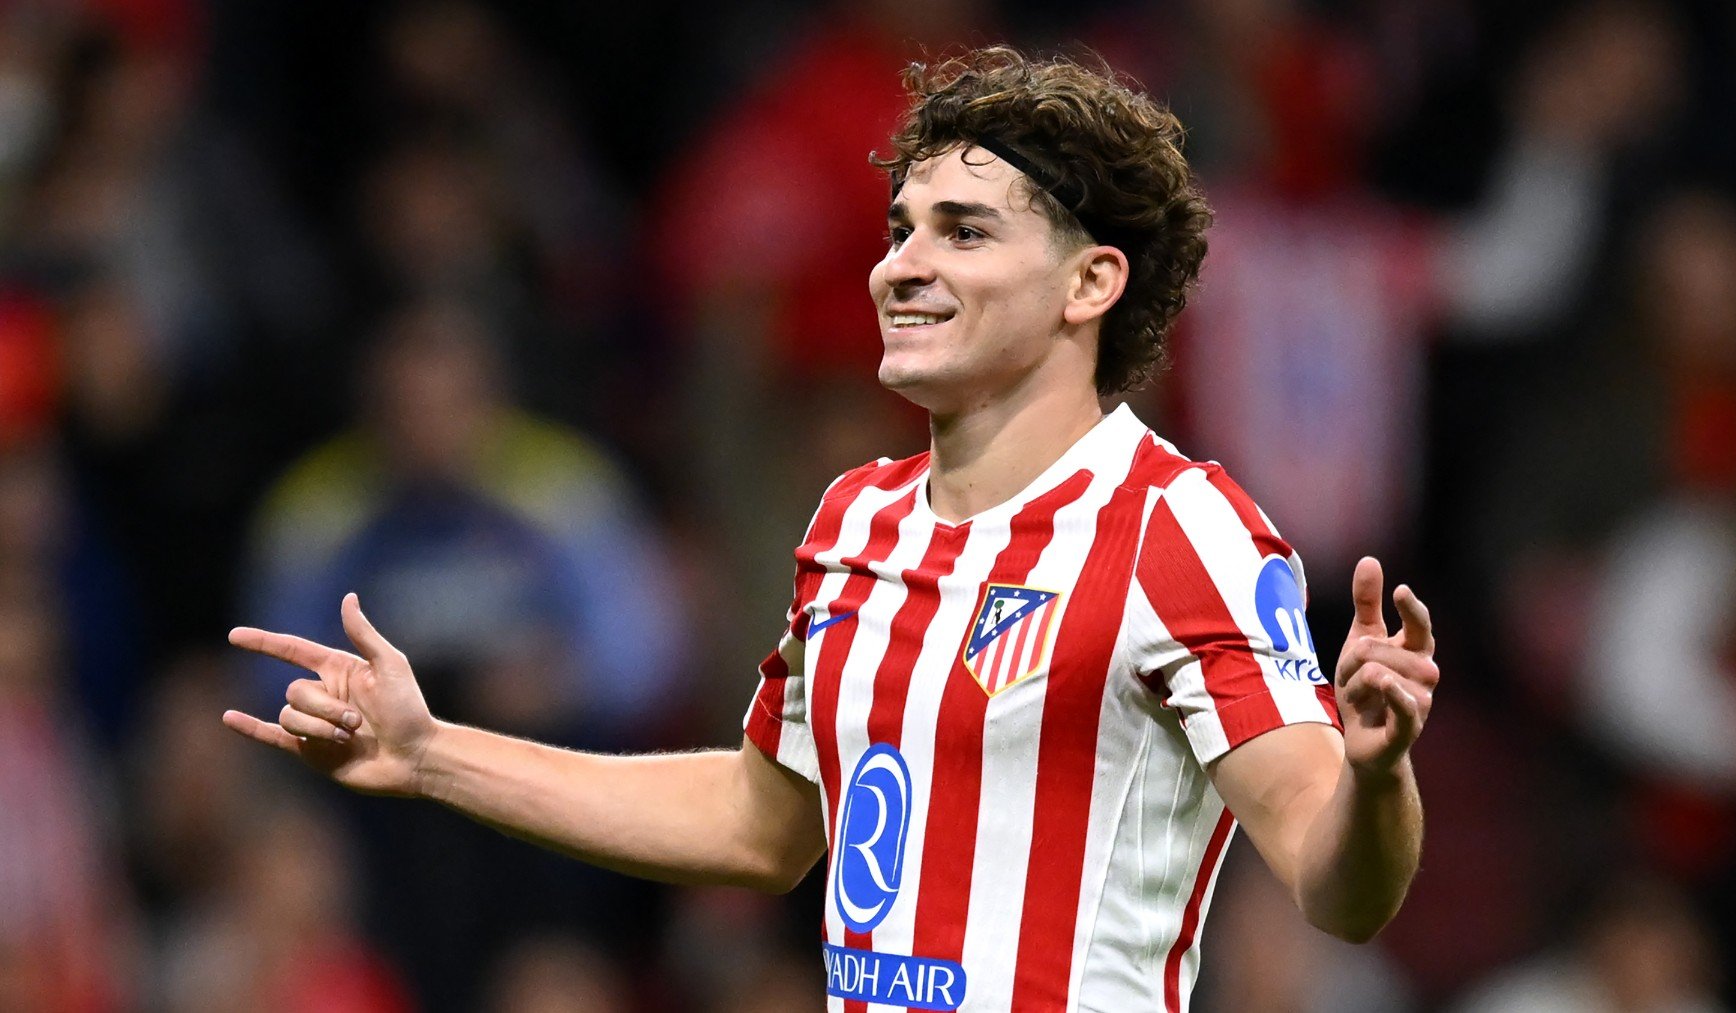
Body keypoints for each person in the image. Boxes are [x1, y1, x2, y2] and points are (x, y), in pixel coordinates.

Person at [223, 46, 1438, 1011]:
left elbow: (1338, 885)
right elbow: (761, 823)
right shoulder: (856, 519)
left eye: (964, 230)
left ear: (1090, 284)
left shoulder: (1184, 529)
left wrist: (1378, 772)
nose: (899, 265)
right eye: (901, 226)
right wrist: (432, 751)